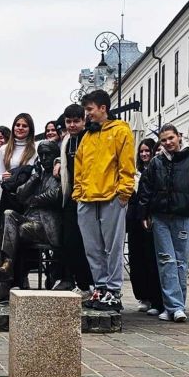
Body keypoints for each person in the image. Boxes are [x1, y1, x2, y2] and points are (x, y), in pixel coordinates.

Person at [137, 124, 189, 322]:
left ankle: (175, 306)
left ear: (179, 137)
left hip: (183, 217)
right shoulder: (156, 163)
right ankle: (174, 306)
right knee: (165, 260)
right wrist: (144, 213)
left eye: (171, 138)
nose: (168, 143)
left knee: (180, 262)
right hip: (160, 216)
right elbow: (145, 189)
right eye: (164, 140)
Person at [73, 90, 135, 313]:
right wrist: (78, 192)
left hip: (111, 196)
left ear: (103, 108)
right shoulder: (88, 136)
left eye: (90, 109)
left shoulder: (120, 132)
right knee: (92, 247)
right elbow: (79, 167)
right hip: (87, 198)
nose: (87, 114)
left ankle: (113, 291)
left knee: (113, 247)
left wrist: (124, 192)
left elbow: (127, 164)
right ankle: (100, 286)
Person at [0, 140, 62, 303]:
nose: (45, 158)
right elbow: (20, 195)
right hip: (30, 221)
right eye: (42, 155)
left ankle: (4, 282)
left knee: (17, 231)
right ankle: (7, 264)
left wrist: (34, 200)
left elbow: (56, 195)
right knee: (9, 214)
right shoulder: (37, 173)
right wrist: (34, 177)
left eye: (49, 155)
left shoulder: (59, 172)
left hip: (46, 226)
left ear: (56, 156)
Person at [54, 104, 93, 292]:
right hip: (71, 196)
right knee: (70, 241)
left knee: (89, 242)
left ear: (84, 121)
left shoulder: (91, 137)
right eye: (69, 121)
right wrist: (58, 161)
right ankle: (81, 283)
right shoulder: (67, 141)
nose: (72, 125)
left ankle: (90, 284)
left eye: (76, 121)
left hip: (89, 196)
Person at [127, 138, 163, 315]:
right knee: (137, 259)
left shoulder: (158, 171)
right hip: (135, 221)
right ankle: (142, 296)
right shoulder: (134, 173)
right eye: (141, 151)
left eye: (147, 151)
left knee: (152, 260)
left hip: (152, 219)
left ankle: (155, 297)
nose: (144, 154)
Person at [0, 114, 37, 216]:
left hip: (28, 196)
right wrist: (2, 178)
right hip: (9, 196)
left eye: (24, 126)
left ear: (30, 129)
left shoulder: (36, 148)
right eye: (17, 125)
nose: (20, 128)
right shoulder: (4, 149)